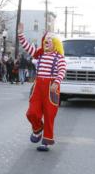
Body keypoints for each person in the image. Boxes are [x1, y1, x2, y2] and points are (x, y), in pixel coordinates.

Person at [18, 22, 66, 151]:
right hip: (38, 85)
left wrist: (56, 82)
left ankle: (46, 141)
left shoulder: (59, 57)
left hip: (51, 87)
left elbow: (62, 71)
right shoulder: (40, 54)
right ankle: (38, 128)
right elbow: (28, 47)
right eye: (45, 40)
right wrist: (21, 34)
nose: (46, 42)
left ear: (55, 43)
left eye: (49, 40)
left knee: (49, 115)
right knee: (32, 112)